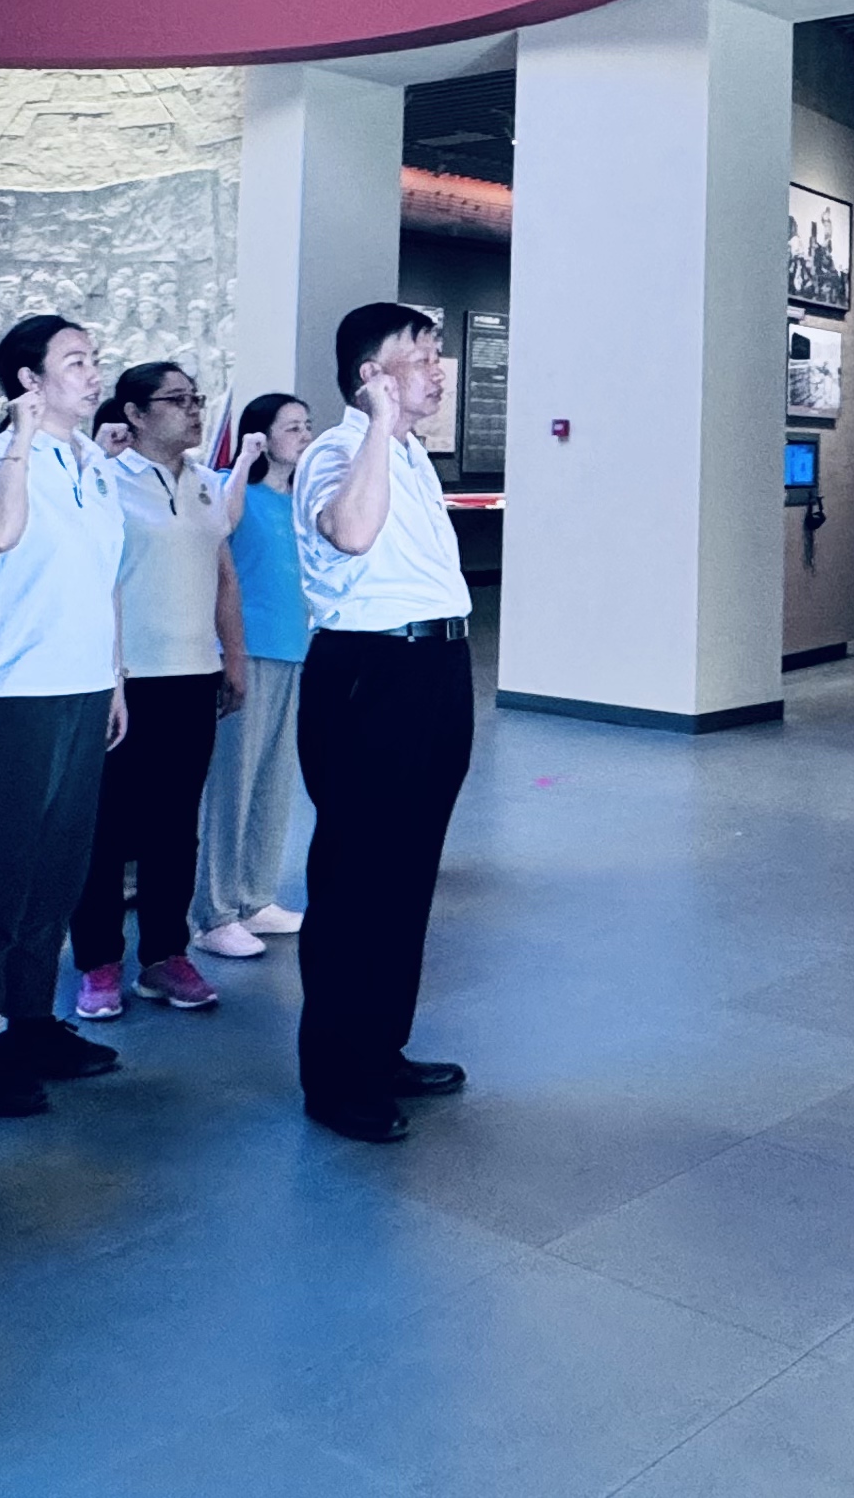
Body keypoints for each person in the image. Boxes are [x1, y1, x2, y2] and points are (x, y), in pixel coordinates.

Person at [289, 304, 477, 1144]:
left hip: (433, 668)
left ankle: (380, 1049)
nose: (438, 369)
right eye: (421, 355)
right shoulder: (337, 453)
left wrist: (392, 435)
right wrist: (374, 425)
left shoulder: (408, 455)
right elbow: (353, 532)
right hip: (371, 672)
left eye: (438, 353)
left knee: (406, 875)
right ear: (371, 375)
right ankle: (336, 1078)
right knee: (357, 880)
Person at [0, 314, 129, 1119]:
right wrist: (21, 439)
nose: (93, 374)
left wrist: (116, 679)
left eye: (94, 360)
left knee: (59, 868)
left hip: (85, 686)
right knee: (0, 873)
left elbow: (105, 578)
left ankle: (30, 1018)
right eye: (75, 361)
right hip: (16, 688)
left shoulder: (95, 462)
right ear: (29, 380)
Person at [74, 362, 227, 1018]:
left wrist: (232, 658)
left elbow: (220, 574)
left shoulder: (206, 484)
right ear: (134, 414)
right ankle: (98, 961)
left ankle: (165, 955)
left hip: (194, 674)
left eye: (196, 399)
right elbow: (93, 581)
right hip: (126, 680)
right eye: (176, 400)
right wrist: (109, 675)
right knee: (106, 828)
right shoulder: (105, 479)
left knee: (175, 824)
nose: (193, 410)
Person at [190, 393, 313, 965]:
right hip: (247, 651)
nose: (304, 435)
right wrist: (244, 458)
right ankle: (214, 913)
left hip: (294, 653)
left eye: (307, 426)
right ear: (262, 436)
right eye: (292, 427)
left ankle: (255, 896)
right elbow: (225, 523)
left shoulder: (301, 502)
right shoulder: (232, 486)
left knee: (273, 782)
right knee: (231, 786)